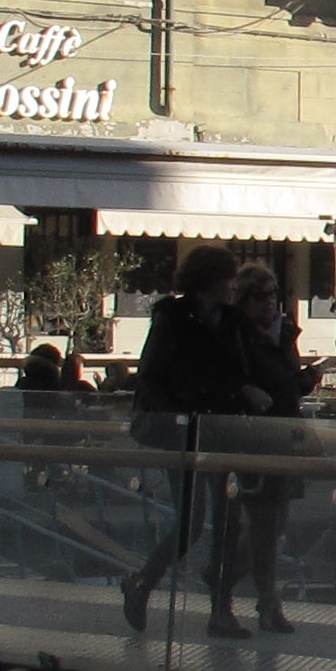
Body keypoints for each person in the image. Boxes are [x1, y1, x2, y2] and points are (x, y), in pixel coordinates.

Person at [119, 247, 252, 637]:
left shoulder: (229, 321)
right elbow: (151, 375)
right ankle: (144, 582)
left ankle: (220, 610)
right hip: (184, 431)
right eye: (229, 278)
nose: (233, 286)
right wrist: (180, 418)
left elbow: (237, 372)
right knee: (192, 521)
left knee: (227, 520)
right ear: (211, 279)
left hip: (220, 430)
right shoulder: (172, 317)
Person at [216, 259, 310, 633]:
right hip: (253, 439)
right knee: (264, 523)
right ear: (243, 300)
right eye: (258, 296)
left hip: (285, 436)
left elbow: (287, 384)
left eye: (272, 294)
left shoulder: (283, 334)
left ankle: (220, 577)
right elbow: (232, 381)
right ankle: (266, 601)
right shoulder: (236, 336)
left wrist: (305, 380)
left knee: (275, 525)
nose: (267, 302)